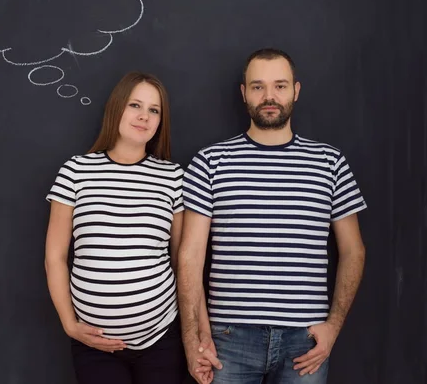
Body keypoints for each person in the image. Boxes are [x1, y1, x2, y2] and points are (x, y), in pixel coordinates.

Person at [178, 48, 367, 384]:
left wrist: (333, 327)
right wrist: (194, 340)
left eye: (279, 86)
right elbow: (190, 256)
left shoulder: (330, 163)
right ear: (243, 93)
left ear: (296, 90)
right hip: (228, 340)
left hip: (305, 341)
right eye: (258, 86)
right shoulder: (210, 162)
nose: (269, 96)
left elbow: (354, 251)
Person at [44, 72, 188, 384]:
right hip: (94, 344)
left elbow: (180, 260)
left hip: (160, 338)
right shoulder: (76, 171)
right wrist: (69, 324)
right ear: (117, 108)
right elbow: (55, 257)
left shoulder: (172, 176)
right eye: (135, 104)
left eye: (154, 110)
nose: (144, 116)